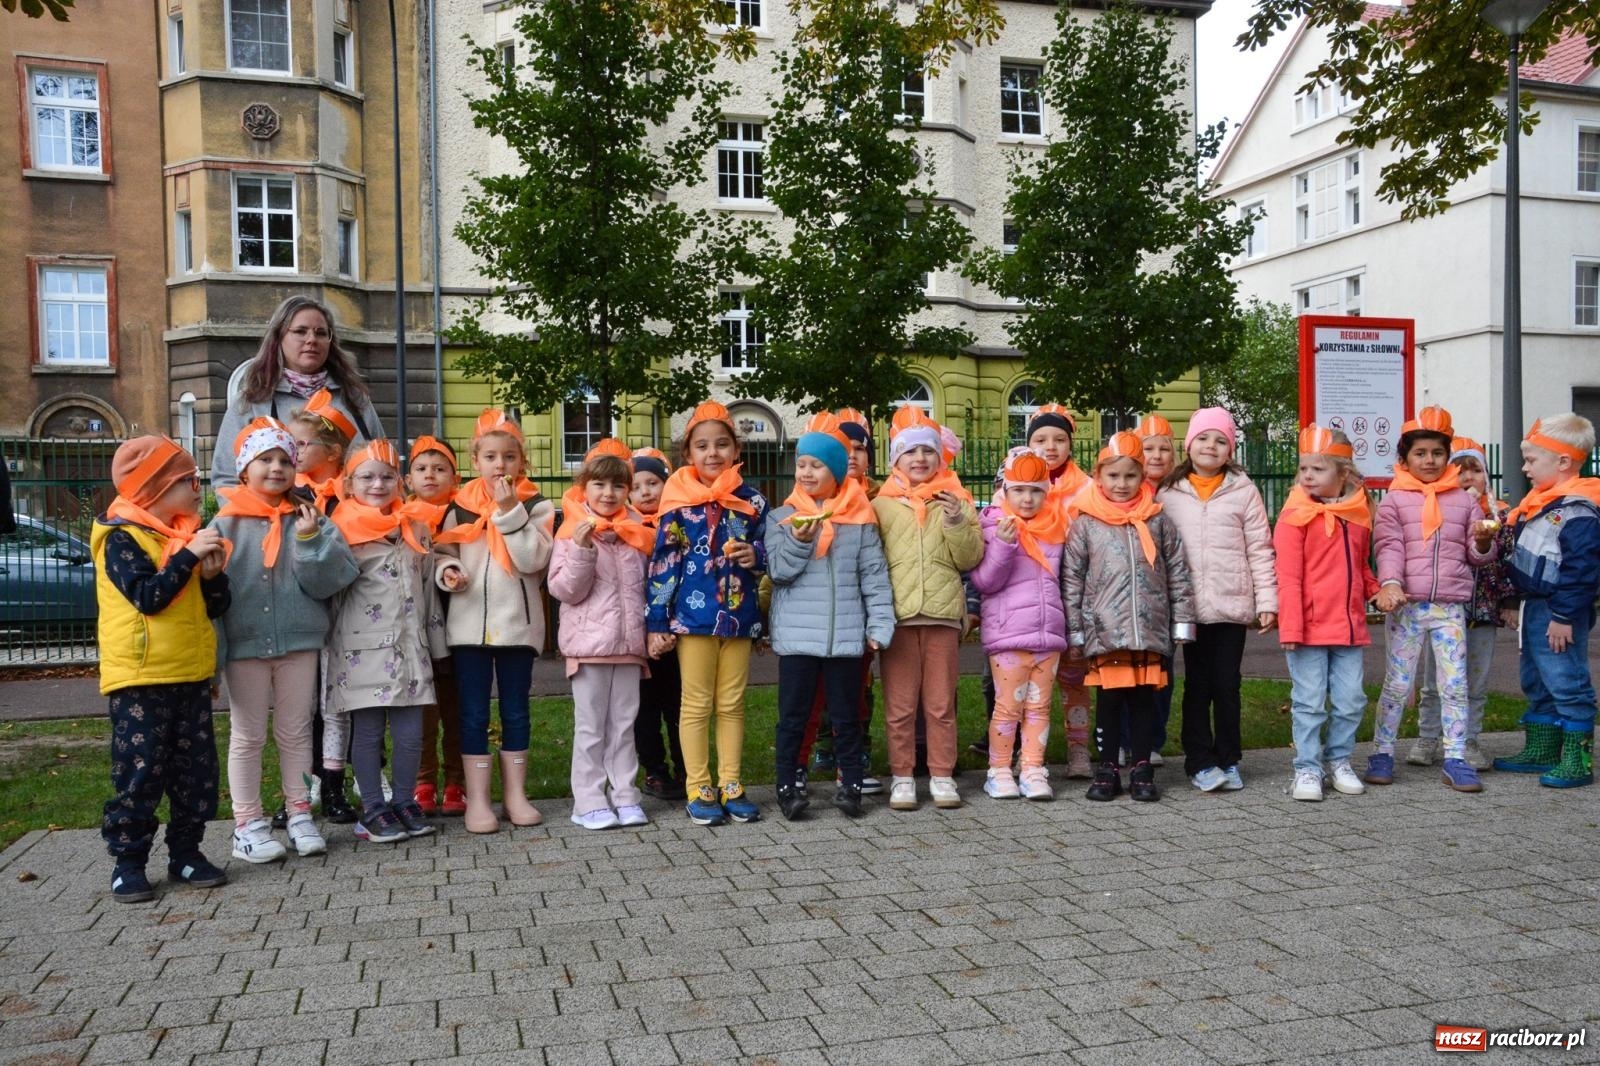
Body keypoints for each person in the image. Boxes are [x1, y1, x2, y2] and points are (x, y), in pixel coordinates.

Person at [210, 418, 358, 862]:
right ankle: (247, 823)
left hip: (300, 643)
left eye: (284, 460)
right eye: (265, 460)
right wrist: (215, 658)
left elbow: (331, 580)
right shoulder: (223, 524)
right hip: (244, 645)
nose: (276, 468)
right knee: (248, 735)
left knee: (295, 731)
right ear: (243, 470)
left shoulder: (308, 517)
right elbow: (211, 597)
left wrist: (311, 541)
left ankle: (299, 814)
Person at [93, 436, 232, 903]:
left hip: (189, 674)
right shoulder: (121, 537)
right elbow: (148, 598)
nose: (198, 490)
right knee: (141, 771)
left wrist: (211, 576)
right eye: (189, 481)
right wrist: (189, 557)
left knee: (196, 773)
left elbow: (216, 606)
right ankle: (128, 862)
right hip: (141, 679)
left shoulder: (181, 535)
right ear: (154, 488)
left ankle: (187, 853)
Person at [321, 438, 451, 844]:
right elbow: (325, 589)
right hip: (363, 651)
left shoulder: (413, 527)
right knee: (369, 732)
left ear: (399, 481)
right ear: (349, 483)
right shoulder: (339, 531)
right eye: (367, 477)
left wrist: (438, 645)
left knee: (412, 733)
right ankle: (374, 807)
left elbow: (428, 586)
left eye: (387, 476)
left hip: (412, 649)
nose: (377, 485)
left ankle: (404, 800)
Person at [647, 401, 769, 827]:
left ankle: (731, 783)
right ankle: (699, 786)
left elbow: (768, 553)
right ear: (689, 455)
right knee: (696, 704)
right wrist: (657, 622)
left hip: (738, 616)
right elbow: (663, 562)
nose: (713, 453)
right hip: (692, 619)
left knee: (732, 703)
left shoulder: (752, 500)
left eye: (722, 444)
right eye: (703, 446)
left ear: (736, 451)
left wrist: (757, 555)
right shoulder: (677, 502)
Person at [433, 409, 555, 833]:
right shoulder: (459, 507)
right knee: (471, 714)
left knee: (516, 711)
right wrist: (445, 572)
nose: (499, 465)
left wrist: (508, 510)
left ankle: (516, 796)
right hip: (468, 630)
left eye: (508, 457)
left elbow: (533, 560)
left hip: (517, 628)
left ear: (522, 462)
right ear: (475, 461)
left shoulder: (537, 505)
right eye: (490, 457)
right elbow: (443, 553)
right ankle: (479, 800)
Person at [768, 416, 895, 820]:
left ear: (836, 472)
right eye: (801, 464)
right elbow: (779, 571)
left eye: (816, 466)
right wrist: (799, 541)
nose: (806, 472)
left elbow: (874, 578)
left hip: (845, 637)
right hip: (798, 637)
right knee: (794, 715)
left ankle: (851, 784)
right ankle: (790, 784)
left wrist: (878, 626)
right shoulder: (782, 517)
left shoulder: (858, 520)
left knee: (847, 714)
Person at [1366, 406, 1496, 792]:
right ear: (1404, 458)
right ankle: (1382, 751)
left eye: (1437, 454)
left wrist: (1484, 542)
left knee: (1454, 683)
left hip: (1450, 607)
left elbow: (1476, 555)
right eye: (1420, 453)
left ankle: (1455, 756)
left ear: (1447, 456)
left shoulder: (1463, 500)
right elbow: (1388, 545)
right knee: (1398, 684)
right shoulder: (1394, 500)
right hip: (1407, 605)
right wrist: (1390, 582)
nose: (1429, 460)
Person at [1064, 432, 1195, 803]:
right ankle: (1107, 767)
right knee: (1109, 701)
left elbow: (1178, 572)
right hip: (1105, 631)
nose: (1121, 485)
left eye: (1130, 477)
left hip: (1149, 629)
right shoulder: (1086, 524)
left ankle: (1140, 765)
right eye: (1114, 476)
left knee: (1143, 702)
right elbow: (1072, 578)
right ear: (1099, 476)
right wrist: (1076, 629)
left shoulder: (1157, 521)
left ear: (1142, 478)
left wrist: (1182, 622)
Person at [1158, 407, 1278, 793]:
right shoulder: (1168, 493)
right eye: (1204, 438)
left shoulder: (1243, 490)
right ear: (1189, 444)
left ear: (1231, 450)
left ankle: (1228, 757)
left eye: (1221, 440)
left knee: (1227, 684)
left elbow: (1260, 547)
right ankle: (1199, 761)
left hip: (1230, 603)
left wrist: (1267, 600)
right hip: (1187, 605)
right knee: (1197, 685)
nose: (1211, 445)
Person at [874, 405, 983, 812]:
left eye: (928, 451)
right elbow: (874, 562)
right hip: (899, 618)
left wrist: (956, 521)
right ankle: (903, 776)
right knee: (900, 706)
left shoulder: (956, 500)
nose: (919, 459)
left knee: (940, 704)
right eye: (909, 452)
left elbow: (969, 558)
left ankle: (941, 775)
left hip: (941, 616)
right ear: (895, 460)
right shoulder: (881, 505)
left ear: (940, 457)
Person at [548, 440, 654, 830]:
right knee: (592, 727)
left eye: (617, 486)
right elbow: (564, 591)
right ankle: (588, 799)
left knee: (624, 725)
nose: (608, 494)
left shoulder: (638, 532)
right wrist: (581, 550)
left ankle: (625, 794)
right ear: (583, 489)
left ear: (627, 490)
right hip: (589, 649)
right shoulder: (570, 533)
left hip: (628, 647)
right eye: (599, 485)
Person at [1273, 426, 1379, 802]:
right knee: (1310, 701)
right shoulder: (1293, 516)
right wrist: (1291, 626)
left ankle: (1339, 761)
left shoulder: (1358, 514)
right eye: (1303, 469)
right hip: (1308, 630)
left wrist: (1377, 592)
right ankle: (1307, 767)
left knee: (1351, 700)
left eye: (1317, 469)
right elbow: (1288, 576)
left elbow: (1362, 568)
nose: (1307, 476)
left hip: (1349, 627)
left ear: (1343, 474)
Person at [1495, 414, 1600, 788]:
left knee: (1566, 678)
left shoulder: (1579, 511)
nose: (1524, 468)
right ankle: (1542, 749)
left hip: (1558, 611)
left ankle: (1578, 758)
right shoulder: (1541, 502)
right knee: (1536, 677)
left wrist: (1564, 615)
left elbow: (1582, 571)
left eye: (1530, 460)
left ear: (1563, 462)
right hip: (1535, 606)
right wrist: (1513, 601)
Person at [1410, 437, 1517, 771]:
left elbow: (1509, 562)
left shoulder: (1501, 516)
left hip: (1482, 612)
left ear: (1486, 475)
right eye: (1460, 470)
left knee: (1474, 679)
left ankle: (1468, 739)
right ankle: (1428, 737)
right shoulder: (1437, 512)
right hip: (1444, 611)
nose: (1468, 478)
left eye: (1475, 471)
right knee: (1434, 679)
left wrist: (1510, 602)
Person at [969, 450, 1067, 801]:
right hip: (1009, 636)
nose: (1028, 498)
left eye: (1036, 491)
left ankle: (1032, 768)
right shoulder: (993, 526)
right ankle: (998, 770)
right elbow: (985, 582)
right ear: (1005, 491)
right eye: (1019, 490)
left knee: (1039, 708)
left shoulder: (1057, 528)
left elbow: (1064, 581)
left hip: (1047, 634)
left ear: (1047, 492)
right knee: (1008, 707)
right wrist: (1005, 545)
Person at [212, 295, 383, 489]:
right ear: (279, 338)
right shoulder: (251, 403)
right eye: (300, 331)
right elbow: (226, 480)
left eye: (320, 333)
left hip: (354, 518)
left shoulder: (355, 400)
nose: (311, 340)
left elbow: (385, 465)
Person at [1027, 403, 1093, 779]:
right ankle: (1024, 750)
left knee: (1074, 680)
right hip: (1029, 602)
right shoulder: (1017, 482)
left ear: (1070, 444)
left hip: (1072, 599)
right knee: (1024, 683)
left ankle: (1078, 749)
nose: (1050, 447)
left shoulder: (1086, 489)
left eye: (1058, 439)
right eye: (1040, 439)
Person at [406, 436, 465, 816]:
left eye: (440, 468)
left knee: (455, 707)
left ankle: (456, 781)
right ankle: (423, 780)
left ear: (454, 477)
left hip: (457, 625)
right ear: (408, 478)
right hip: (416, 630)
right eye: (422, 469)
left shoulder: (462, 514)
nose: (430, 475)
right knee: (422, 709)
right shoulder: (400, 516)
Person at [629, 446, 686, 801]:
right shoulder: (624, 527)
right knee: (643, 709)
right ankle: (654, 769)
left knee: (679, 705)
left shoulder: (679, 524)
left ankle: (687, 768)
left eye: (653, 482)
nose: (646, 491)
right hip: (637, 635)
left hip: (676, 634)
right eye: (636, 486)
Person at [1128, 412, 1177, 765]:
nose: (1156, 456)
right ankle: (1122, 737)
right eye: (1148, 448)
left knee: (1161, 672)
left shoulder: (1181, 490)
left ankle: (1153, 741)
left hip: (1167, 596)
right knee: (1123, 671)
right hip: (1128, 595)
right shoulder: (1124, 489)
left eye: (1164, 448)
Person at [289, 389, 356, 514]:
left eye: (302, 444)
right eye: (290, 443)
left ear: (333, 452)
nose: (292, 450)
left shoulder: (355, 489)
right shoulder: (288, 488)